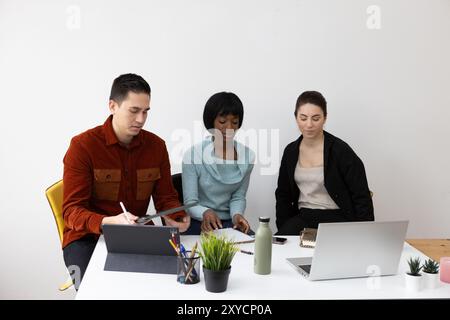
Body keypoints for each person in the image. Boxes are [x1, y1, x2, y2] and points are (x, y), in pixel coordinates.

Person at [62, 74, 190, 288]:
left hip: (138, 233)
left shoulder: (156, 147)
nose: (141, 119)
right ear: (112, 106)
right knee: (96, 291)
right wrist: (109, 221)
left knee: (168, 284)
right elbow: (71, 212)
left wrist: (175, 216)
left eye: (146, 111)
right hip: (87, 238)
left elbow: (166, 197)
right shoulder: (82, 146)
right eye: (134, 111)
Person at [275, 91, 374, 235]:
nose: (309, 124)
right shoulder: (290, 151)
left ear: (325, 118)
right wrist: (283, 226)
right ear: (296, 118)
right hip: (304, 217)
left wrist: (365, 233)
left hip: (337, 218)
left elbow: (361, 196)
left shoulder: (341, 151)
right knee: (278, 246)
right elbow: (283, 195)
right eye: (303, 118)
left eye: (316, 118)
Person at [182, 92, 255, 235]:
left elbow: (238, 196)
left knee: (255, 247)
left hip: (229, 223)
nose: (229, 128)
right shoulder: (193, 155)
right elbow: (190, 203)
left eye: (234, 122)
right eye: (222, 122)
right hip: (200, 221)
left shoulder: (247, 156)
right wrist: (205, 212)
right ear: (211, 122)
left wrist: (237, 215)